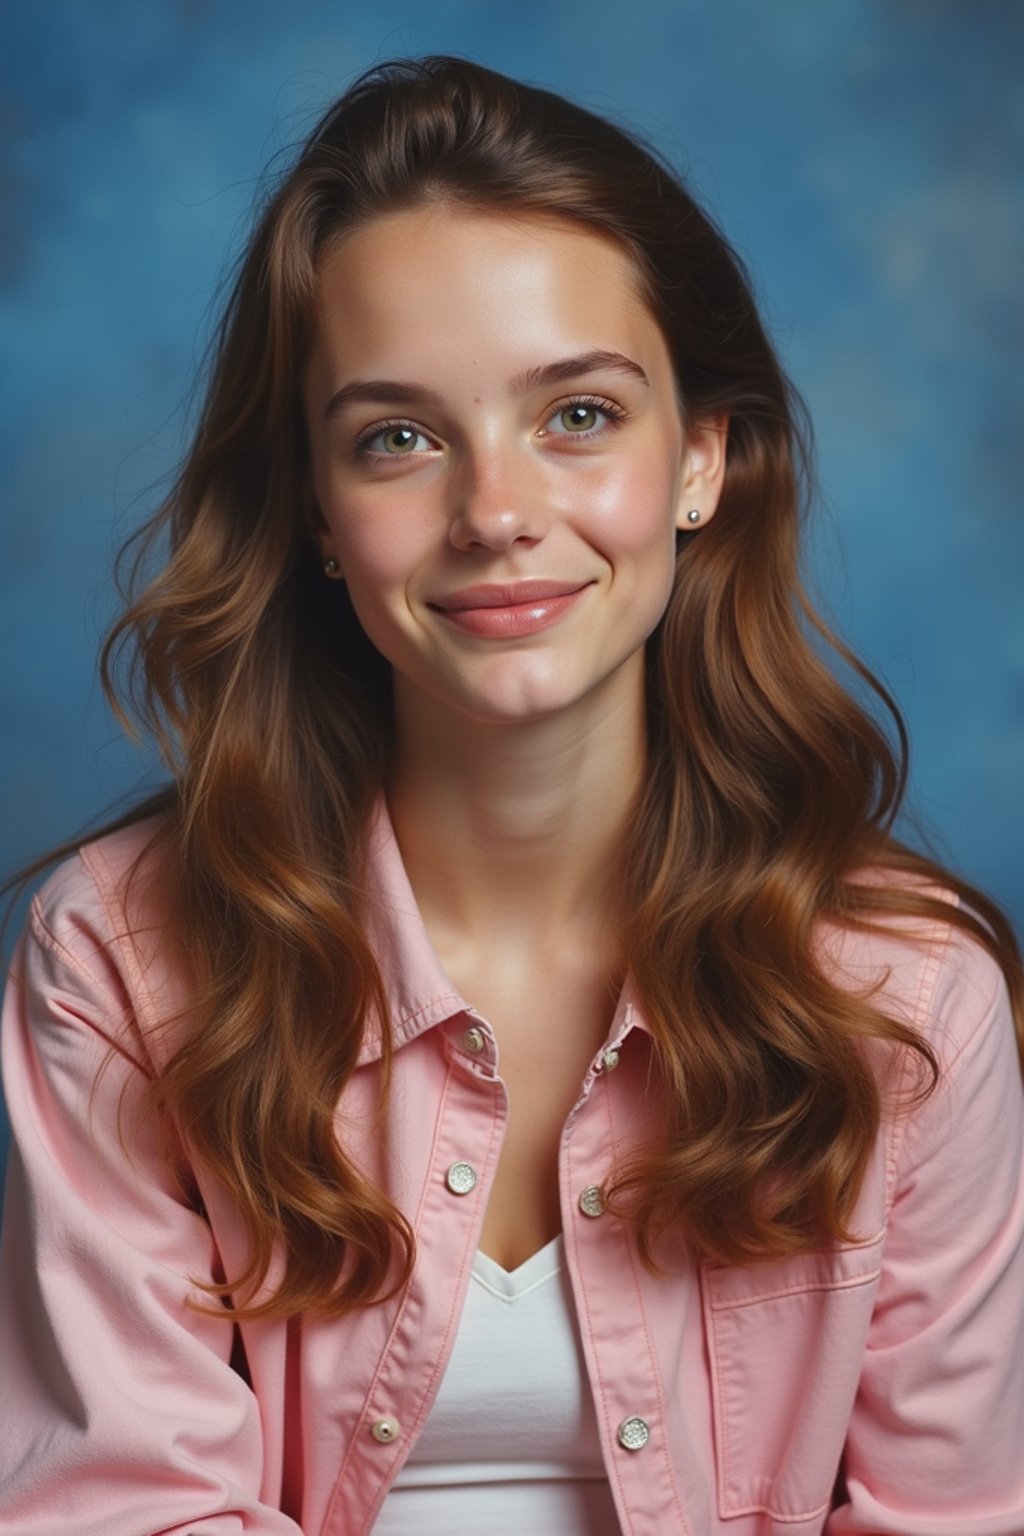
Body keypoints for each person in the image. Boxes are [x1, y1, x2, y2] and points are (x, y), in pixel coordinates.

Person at [0, 55, 1022, 1536]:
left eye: (581, 416)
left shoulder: (911, 998)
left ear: (703, 462)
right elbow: (118, 1514)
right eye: (398, 438)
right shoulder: (122, 964)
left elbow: (953, 1516)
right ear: (317, 514)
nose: (494, 513)